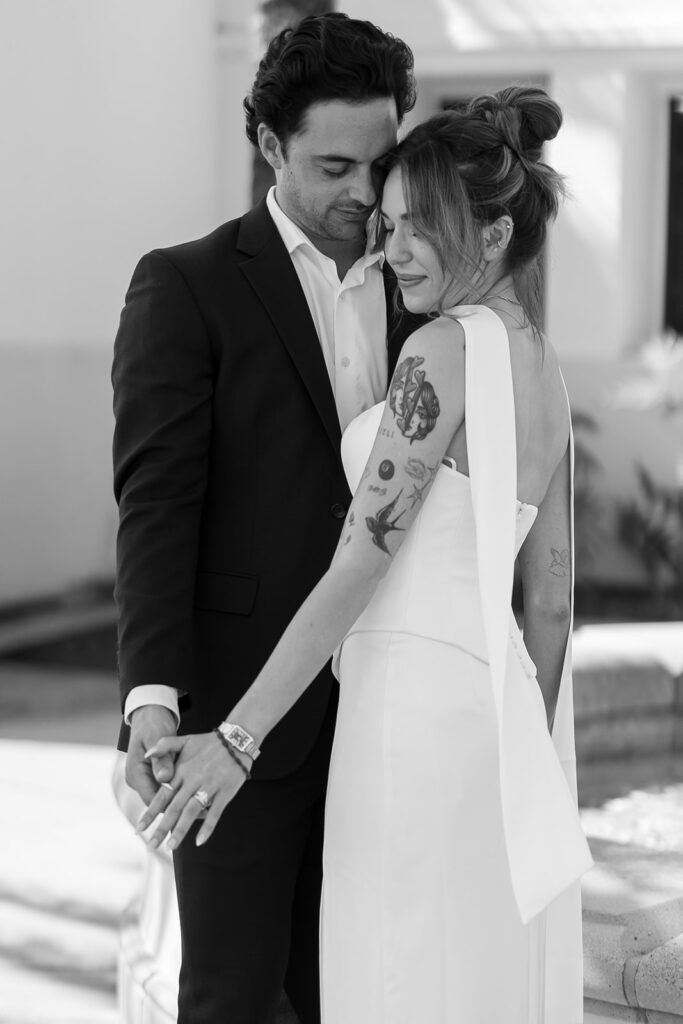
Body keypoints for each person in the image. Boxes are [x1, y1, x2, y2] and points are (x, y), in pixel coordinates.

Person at [140, 87, 595, 1022]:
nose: (389, 253)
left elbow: (359, 560)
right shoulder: (543, 364)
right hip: (493, 720)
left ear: (495, 236)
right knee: (462, 975)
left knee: (388, 979)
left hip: (406, 721)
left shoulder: (434, 352)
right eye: (385, 227)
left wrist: (236, 736)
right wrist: (521, 747)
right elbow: (548, 602)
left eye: (414, 229)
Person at [112, 13, 418, 1024]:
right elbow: (157, 501)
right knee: (232, 997)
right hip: (234, 708)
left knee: (356, 993)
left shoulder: (430, 293)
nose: (363, 195)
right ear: (268, 145)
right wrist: (151, 697)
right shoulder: (187, 284)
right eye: (334, 165)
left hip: (393, 709)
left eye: (379, 163)